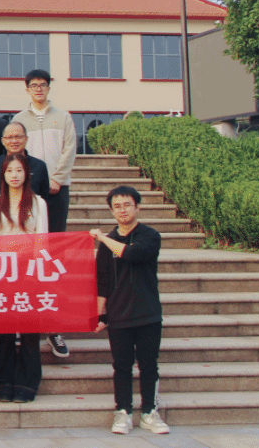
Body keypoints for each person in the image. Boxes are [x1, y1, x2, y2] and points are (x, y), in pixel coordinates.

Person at [92, 185, 168, 436]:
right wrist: (100, 314)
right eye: (117, 206)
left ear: (137, 207)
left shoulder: (150, 236)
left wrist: (102, 238)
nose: (122, 210)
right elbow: (103, 281)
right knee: (122, 366)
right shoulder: (107, 243)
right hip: (119, 314)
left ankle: (149, 412)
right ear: (111, 210)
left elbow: (132, 254)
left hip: (148, 313)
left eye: (127, 205)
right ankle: (123, 412)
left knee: (149, 366)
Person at [12, 69, 77, 359]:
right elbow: (15, 153)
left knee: (52, 254)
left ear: (49, 88)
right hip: (26, 193)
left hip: (56, 191)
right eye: (34, 85)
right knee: (26, 254)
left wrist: (57, 179)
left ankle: (53, 328)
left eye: (43, 85)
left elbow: (70, 150)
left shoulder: (63, 117)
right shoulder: (18, 119)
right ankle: (22, 320)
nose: (38, 89)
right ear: (27, 89)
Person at [0, 153, 48, 403]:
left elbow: (42, 240)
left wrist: (36, 273)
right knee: (5, 331)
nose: (14, 175)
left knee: (30, 331)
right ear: (3, 174)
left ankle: (27, 383)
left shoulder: (38, 203)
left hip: (30, 272)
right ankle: (4, 381)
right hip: (3, 273)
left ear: (27, 174)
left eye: (19, 170)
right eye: (10, 170)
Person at [0, 121, 51, 206]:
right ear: (3, 141)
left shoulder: (39, 166)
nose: (14, 141)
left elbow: (45, 198)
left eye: (18, 137)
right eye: (9, 137)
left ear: (26, 139)